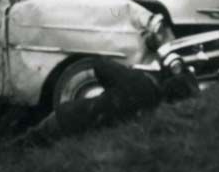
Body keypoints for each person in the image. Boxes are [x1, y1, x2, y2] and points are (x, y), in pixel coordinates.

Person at [30, 52, 200, 141]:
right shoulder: (153, 112)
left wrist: (127, 70)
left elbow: (100, 65)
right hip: (82, 133)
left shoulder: (139, 80)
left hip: (69, 117)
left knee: (27, 143)